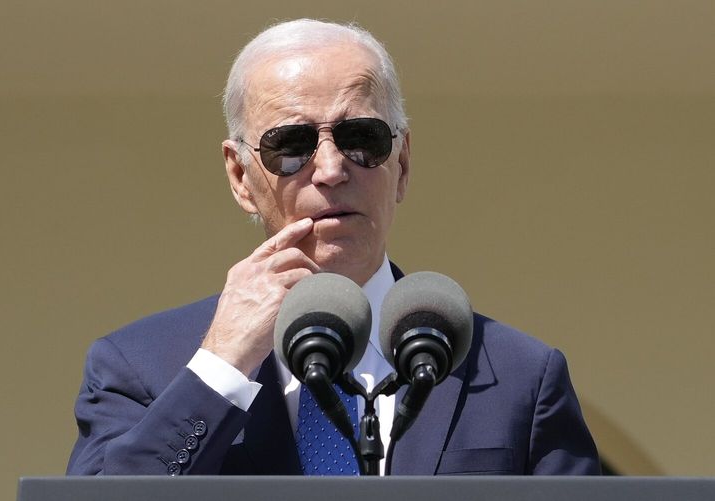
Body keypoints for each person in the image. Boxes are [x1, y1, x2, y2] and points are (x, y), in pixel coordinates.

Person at [66, 19, 600, 476]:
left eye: (361, 138)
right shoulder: (139, 366)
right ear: (240, 176)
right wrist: (223, 365)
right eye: (291, 145)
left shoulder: (518, 374)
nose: (330, 169)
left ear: (402, 163)